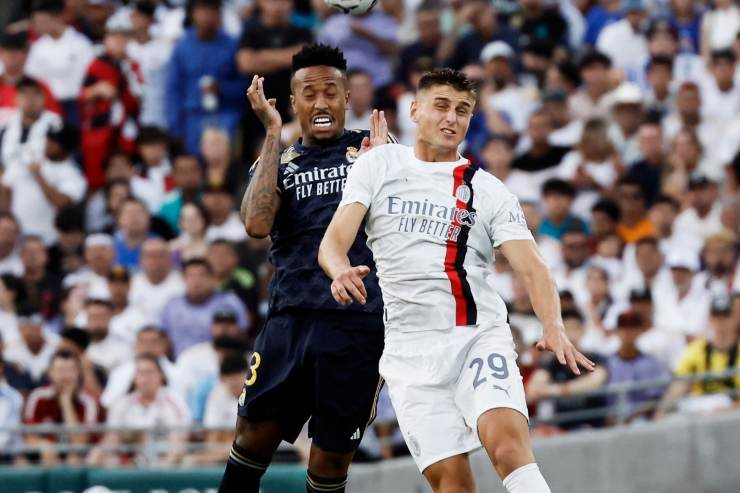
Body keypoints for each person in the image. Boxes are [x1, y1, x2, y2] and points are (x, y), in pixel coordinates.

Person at [319, 68, 594, 493]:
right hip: (410, 354)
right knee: (453, 485)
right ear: (415, 110)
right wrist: (338, 270)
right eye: (442, 106)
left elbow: (533, 267)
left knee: (507, 447)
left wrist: (553, 326)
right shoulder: (378, 165)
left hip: (475, 337)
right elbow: (333, 241)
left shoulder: (488, 190)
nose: (452, 118)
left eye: (463, 110)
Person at [218, 44, 391, 493]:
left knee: (330, 460)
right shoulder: (279, 159)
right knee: (251, 439)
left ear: (347, 96)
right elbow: (256, 224)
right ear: (293, 103)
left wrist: (386, 167)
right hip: (290, 320)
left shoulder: (372, 149)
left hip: (358, 323)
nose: (320, 103)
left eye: (330, 92)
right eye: (308, 94)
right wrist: (273, 132)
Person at [166, 0, 245, 154]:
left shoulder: (233, 45)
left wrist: (222, 88)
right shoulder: (182, 47)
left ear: (220, 14)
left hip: (225, 114)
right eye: (202, 10)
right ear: (192, 14)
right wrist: (175, 127)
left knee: (219, 156)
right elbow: (173, 89)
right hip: (192, 116)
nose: (207, 16)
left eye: (212, 10)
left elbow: (244, 86)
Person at [87, 354, 191, 467]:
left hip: (163, 459)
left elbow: (179, 440)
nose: (145, 378)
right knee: (97, 454)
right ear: (134, 377)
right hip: (130, 459)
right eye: (140, 373)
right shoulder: (123, 403)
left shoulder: (173, 401)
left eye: (149, 372)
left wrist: (163, 466)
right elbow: (112, 438)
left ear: (161, 375)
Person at [1, 124, 86, 245]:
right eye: (49, 139)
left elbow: (60, 202)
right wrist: (6, 218)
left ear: (66, 146)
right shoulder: (30, 159)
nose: (48, 144)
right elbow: (5, 187)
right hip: (16, 237)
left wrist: (38, 175)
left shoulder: (73, 175)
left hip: (48, 239)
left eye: (54, 142)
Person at [656, 297, 739, 417]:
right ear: (710, 319)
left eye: (725, 316)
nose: (721, 322)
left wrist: (729, 409)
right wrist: (661, 413)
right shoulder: (696, 350)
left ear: (733, 319)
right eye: (716, 316)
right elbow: (678, 386)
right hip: (701, 412)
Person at [24, 351, 102, 465]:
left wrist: (66, 402)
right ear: (50, 373)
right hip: (45, 455)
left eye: (70, 370)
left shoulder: (88, 402)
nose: (65, 376)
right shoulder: (38, 397)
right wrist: (45, 445)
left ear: (78, 373)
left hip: (80, 457)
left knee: (73, 458)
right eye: (60, 370)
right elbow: (29, 437)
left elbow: (79, 443)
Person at [160, 258, 248, 357]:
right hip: (180, 367)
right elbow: (163, 341)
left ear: (213, 278)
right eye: (191, 276)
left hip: (219, 365)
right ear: (183, 279)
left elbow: (243, 335)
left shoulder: (229, 302)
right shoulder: (172, 306)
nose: (197, 281)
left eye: (202, 276)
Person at [605, 311, 666, 423]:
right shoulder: (608, 362)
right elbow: (603, 399)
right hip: (610, 420)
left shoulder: (650, 362)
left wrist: (632, 418)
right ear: (617, 331)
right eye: (624, 328)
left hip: (640, 421)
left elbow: (654, 398)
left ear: (640, 331)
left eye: (633, 328)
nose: (628, 332)